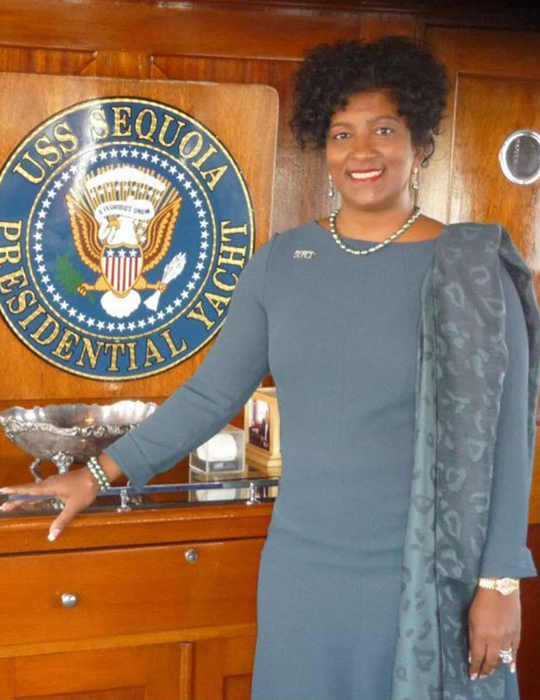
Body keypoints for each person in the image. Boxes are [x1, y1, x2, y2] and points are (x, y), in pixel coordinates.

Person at [0, 36, 537, 700]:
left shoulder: (474, 270)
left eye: (385, 129)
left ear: (420, 145)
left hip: (428, 573)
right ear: (322, 146)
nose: (362, 151)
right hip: (302, 569)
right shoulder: (280, 264)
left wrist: (500, 581)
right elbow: (210, 395)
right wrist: (94, 476)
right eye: (341, 134)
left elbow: (509, 436)